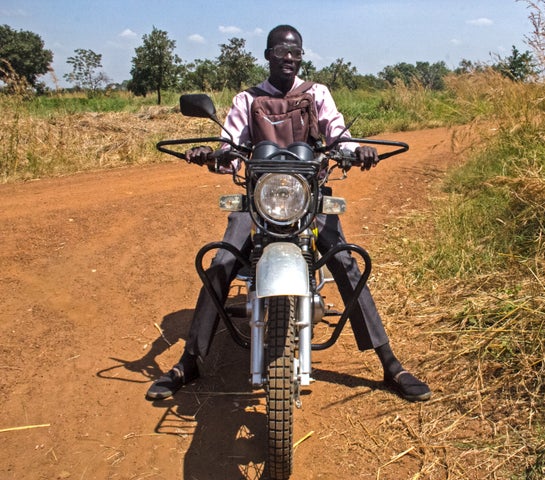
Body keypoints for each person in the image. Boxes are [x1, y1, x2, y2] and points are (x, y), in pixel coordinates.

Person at [146, 25, 431, 402]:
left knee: (345, 261)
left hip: (307, 196)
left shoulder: (316, 94)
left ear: (301, 56)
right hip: (260, 198)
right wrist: (211, 155)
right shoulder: (248, 99)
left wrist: (357, 150)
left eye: (295, 52)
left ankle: (390, 363)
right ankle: (190, 359)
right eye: (281, 50)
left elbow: (338, 134)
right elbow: (229, 146)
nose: (289, 57)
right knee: (222, 259)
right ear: (267, 55)